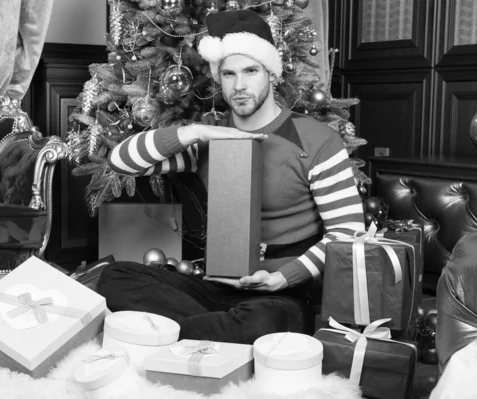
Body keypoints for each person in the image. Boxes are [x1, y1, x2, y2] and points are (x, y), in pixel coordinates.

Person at [96, 9, 365, 344]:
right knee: (115, 277)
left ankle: (173, 336)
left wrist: (283, 277)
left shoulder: (317, 139)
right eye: (228, 74)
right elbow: (121, 162)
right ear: (217, 77)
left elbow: (348, 233)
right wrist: (192, 131)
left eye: (250, 71)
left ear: (270, 73)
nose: (239, 86)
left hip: (280, 294)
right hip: (213, 284)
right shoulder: (210, 136)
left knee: (262, 320)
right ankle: (215, 332)